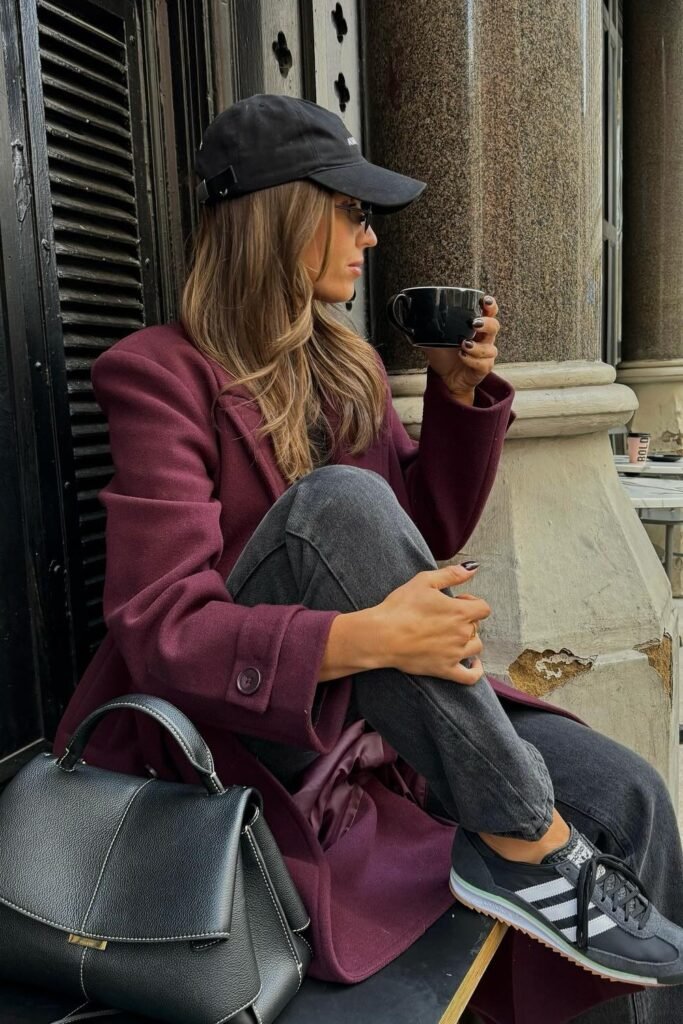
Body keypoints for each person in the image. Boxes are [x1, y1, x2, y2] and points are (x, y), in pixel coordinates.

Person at [54, 95, 683, 1024]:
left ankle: (568, 907)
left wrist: (461, 398)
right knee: (338, 504)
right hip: (241, 724)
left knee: (626, 792)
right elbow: (160, 626)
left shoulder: (341, 369)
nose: (368, 239)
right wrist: (358, 637)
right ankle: (527, 840)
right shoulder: (157, 374)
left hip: (375, 709)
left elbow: (414, 535)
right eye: (349, 212)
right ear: (282, 216)